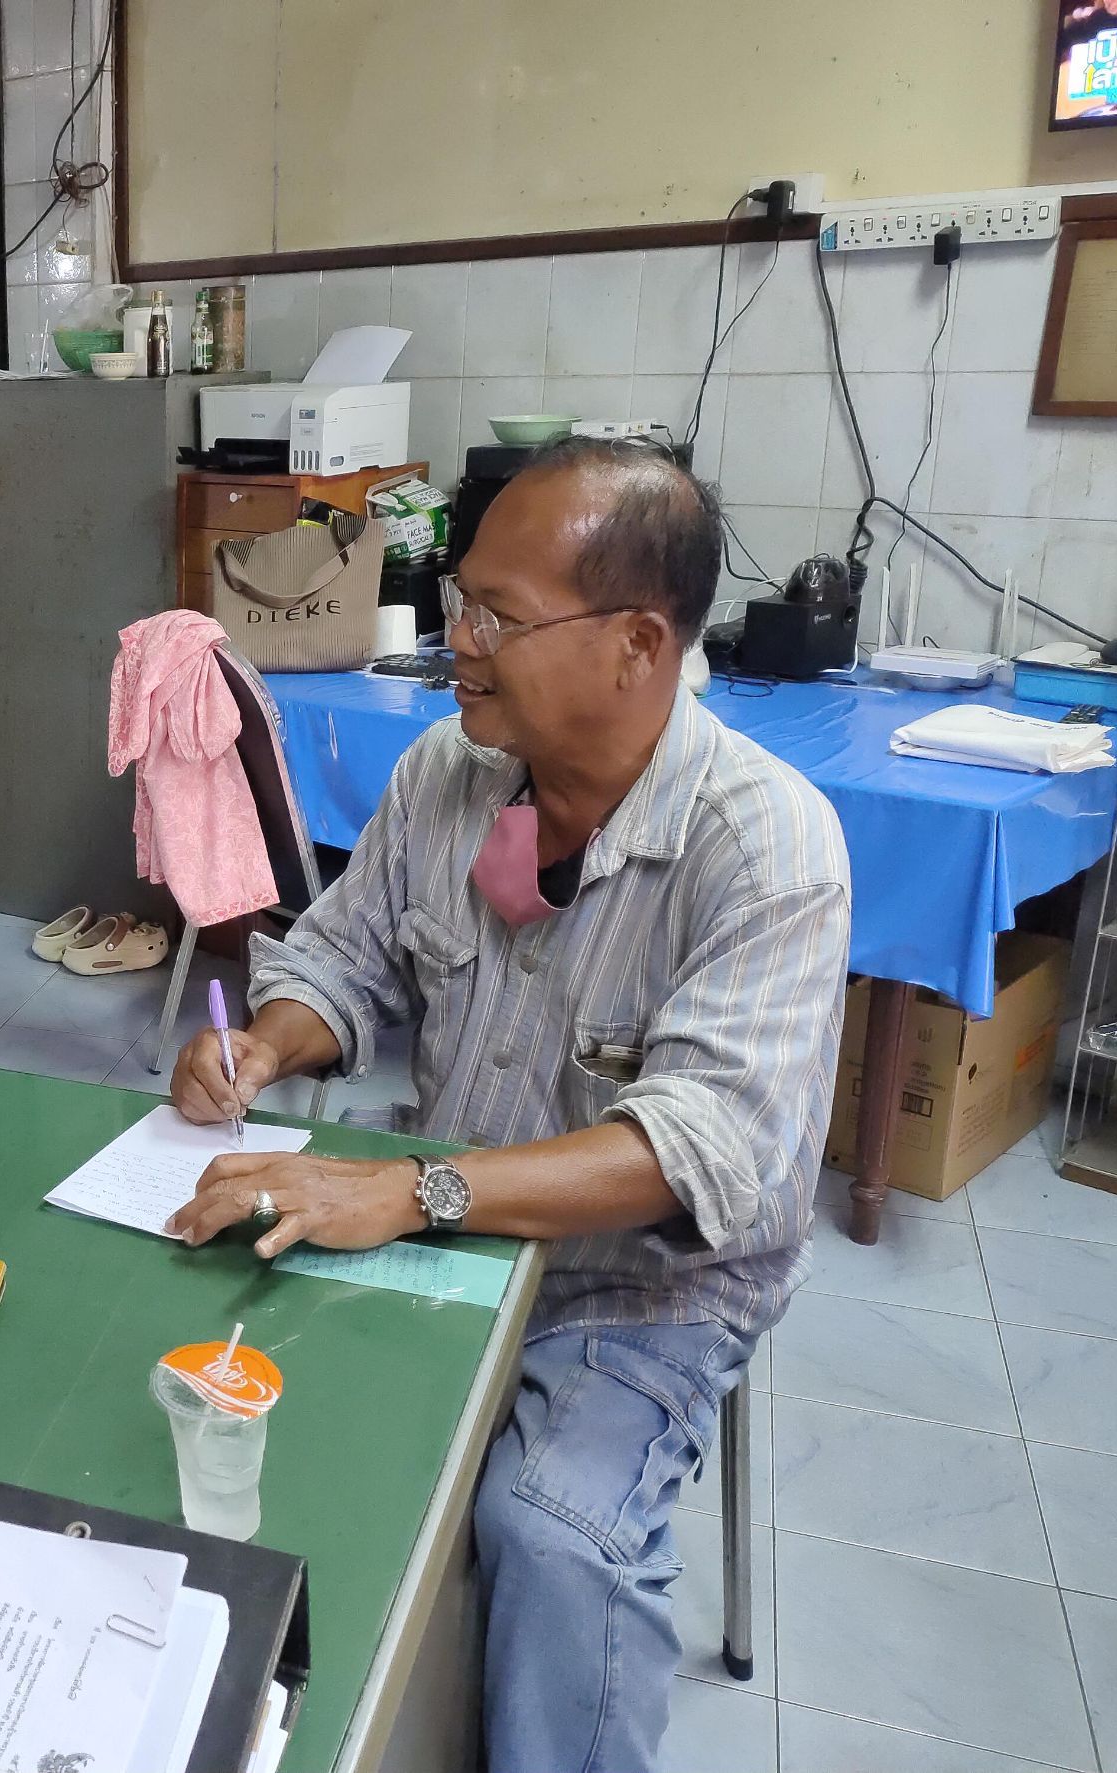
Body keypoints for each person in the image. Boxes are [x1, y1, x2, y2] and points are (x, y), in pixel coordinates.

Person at [167, 438, 850, 1772]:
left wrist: (412, 1190)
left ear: (638, 646)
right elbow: (347, 956)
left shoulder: (766, 847)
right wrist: (264, 1047)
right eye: (458, 598)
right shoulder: (446, 773)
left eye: (497, 615)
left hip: (637, 1285)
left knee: (551, 1534)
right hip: (445, 1217)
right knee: (237, 1413)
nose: (456, 640)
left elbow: (701, 1149)